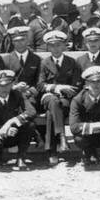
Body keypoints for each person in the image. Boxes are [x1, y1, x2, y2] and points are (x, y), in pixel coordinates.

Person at [36, 30, 80, 164]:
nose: (55, 48)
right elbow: (40, 85)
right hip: (48, 97)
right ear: (48, 47)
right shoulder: (45, 62)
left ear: (64, 46)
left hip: (65, 100)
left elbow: (76, 85)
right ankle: (62, 137)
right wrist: (58, 88)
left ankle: (52, 152)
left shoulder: (72, 62)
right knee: (53, 101)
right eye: (52, 46)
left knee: (51, 113)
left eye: (58, 45)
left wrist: (65, 92)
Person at [0, 68, 37, 168]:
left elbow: (31, 111)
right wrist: (1, 132)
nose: (4, 88)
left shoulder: (17, 95)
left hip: (14, 133)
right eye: (0, 85)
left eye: (7, 85)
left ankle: (21, 157)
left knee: (30, 125)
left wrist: (12, 121)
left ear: (12, 85)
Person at [68, 64, 100, 167]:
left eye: (99, 81)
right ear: (87, 84)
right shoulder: (78, 100)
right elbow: (74, 127)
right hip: (89, 135)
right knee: (78, 139)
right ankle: (89, 153)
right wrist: (99, 125)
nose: (96, 85)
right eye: (93, 82)